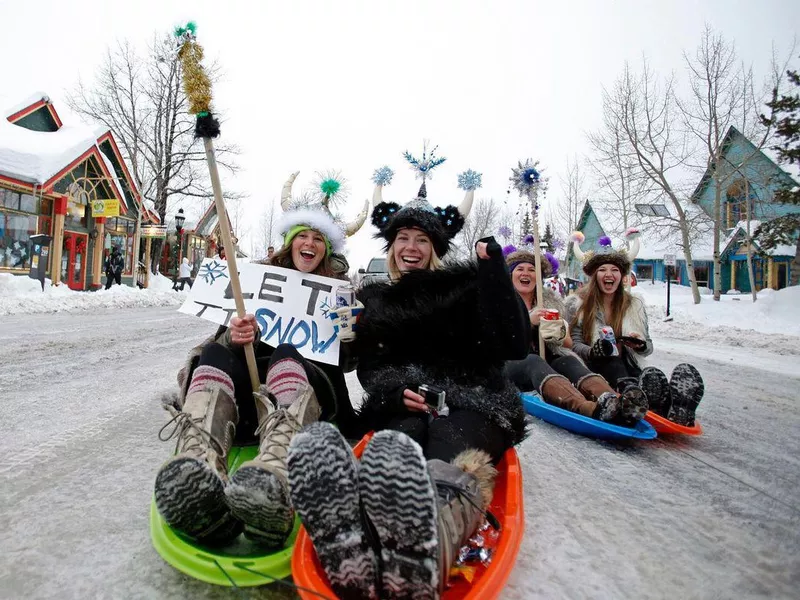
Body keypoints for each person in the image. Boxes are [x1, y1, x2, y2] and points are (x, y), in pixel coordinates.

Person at [287, 167, 529, 600]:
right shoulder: (373, 299)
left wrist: (494, 276)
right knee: (395, 448)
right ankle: (354, 540)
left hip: (472, 402)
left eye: (422, 239)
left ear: (435, 247)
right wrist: (394, 390)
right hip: (403, 406)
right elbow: (371, 368)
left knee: (446, 447)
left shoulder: (466, 287)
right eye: (403, 239)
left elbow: (513, 342)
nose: (411, 248)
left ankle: (432, 542)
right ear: (391, 246)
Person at [153, 171, 368, 547]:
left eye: (318, 238)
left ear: (327, 251)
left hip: (305, 402)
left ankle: (277, 476)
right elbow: (218, 341)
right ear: (289, 242)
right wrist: (234, 336)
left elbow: (348, 363)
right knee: (216, 352)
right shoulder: (253, 281)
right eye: (302, 234)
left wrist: (349, 332)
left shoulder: (340, 293)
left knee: (286, 352)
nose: (309, 243)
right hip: (247, 403)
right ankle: (197, 466)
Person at [566, 233, 705, 426]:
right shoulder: (579, 304)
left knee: (648, 374)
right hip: (594, 367)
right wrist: (593, 351)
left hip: (628, 363)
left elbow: (648, 347)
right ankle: (635, 395)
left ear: (621, 276)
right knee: (611, 360)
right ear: (594, 276)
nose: (609, 274)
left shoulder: (634, 305)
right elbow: (573, 345)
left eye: (614, 270)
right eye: (602, 270)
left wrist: (638, 345)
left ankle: (672, 405)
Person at [502, 245, 647, 425]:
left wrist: (559, 333)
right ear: (510, 274)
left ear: (538, 277)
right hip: (510, 363)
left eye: (532, 270)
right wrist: (527, 322)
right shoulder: (501, 302)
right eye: (520, 269)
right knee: (533, 360)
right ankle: (586, 408)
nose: (526, 274)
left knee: (567, 360)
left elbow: (568, 344)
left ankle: (613, 400)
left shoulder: (551, 302)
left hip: (547, 361)